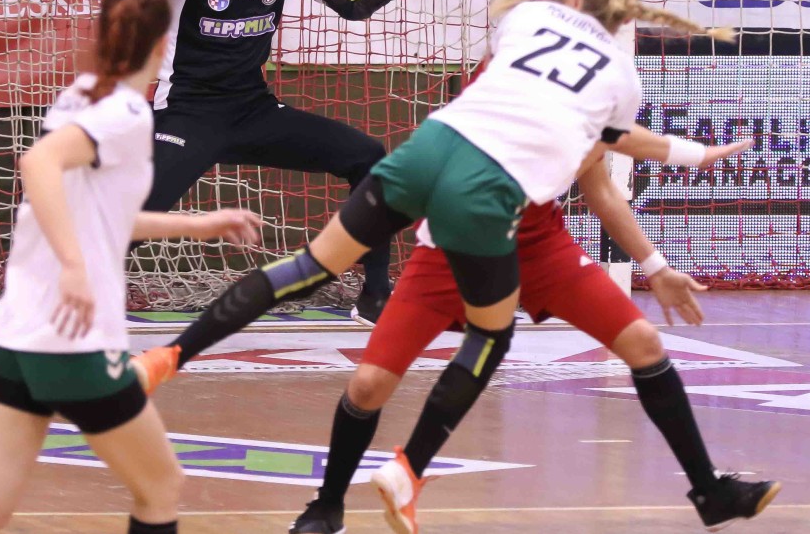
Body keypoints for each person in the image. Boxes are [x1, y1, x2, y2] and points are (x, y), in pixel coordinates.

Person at [133, 0, 739, 533]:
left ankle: (168, 358)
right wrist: (696, 152)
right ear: (626, 16)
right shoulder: (619, 77)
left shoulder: (527, 18)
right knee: (488, 339)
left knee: (310, 266)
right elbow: (619, 138)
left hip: (437, 157)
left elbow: (589, 145)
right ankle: (403, 471)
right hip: (482, 202)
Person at [0, 0, 261, 534]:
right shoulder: (127, 114)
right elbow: (38, 164)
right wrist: (74, 266)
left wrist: (198, 225)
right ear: (163, 46)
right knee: (161, 486)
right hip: (71, 340)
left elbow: (98, 214)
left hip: (14, 334)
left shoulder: (80, 95)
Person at [288, 135, 780, 534]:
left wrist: (656, 267)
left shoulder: (599, 88)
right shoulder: (508, 73)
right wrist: (693, 153)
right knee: (369, 385)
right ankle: (327, 506)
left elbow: (601, 188)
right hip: (457, 244)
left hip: (541, 247)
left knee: (644, 343)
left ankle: (709, 492)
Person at [123, 0, 480, 323]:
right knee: (140, 212)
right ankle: (64, 292)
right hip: (189, 113)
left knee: (368, 156)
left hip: (252, 110)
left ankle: (375, 296)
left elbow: (354, 3)